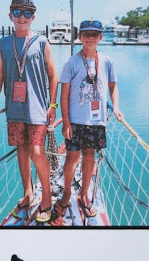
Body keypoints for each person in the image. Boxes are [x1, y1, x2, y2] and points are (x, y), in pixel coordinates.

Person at [0, 0, 58, 225]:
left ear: (33, 17)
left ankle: (46, 198)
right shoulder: (3, 44)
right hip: (14, 110)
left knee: (37, 151)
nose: (22, 17)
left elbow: (53, 76)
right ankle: (28, 194)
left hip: (37, 110)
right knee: (22, 151)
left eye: (27, 13)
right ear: (10, 16)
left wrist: (53, 105)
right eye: (17, 13)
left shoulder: (42, 42)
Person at [53, 19, 123, 222]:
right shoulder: (72, 62)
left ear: (100, 37)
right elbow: (64, 95)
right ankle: (66, 193)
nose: (90, 38)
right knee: (71, 158)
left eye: (94, 34)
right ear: (79, 37)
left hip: (96, 121)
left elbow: (113, 87)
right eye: (86, 34)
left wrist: (116, 107)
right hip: (75, 121)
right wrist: (66, 122)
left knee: (90, 156)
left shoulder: (107, 61)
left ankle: (84, 194)